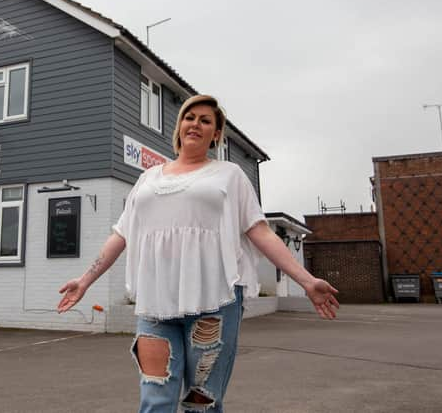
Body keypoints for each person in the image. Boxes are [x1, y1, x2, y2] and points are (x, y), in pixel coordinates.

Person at [57, 94, 340, 412]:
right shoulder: (147, 179)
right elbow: (121, 235)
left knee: (201, 401)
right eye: (190, 117)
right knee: (155, 399)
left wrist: (306, 280)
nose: (196, 124)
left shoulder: (230, 175)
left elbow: (259, 231)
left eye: (206, 121)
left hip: (214, 301)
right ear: (179, 127)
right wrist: (85, 280)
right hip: (156, 304)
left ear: (216, 134)